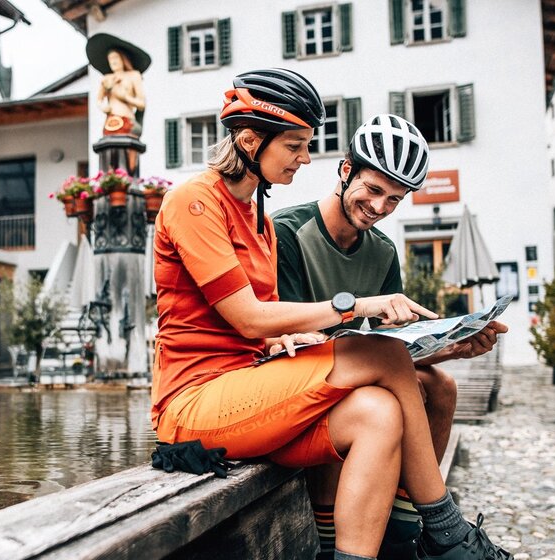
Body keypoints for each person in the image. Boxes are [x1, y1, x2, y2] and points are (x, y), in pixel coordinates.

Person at [151, 68, 510, 560]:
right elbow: (251, 319)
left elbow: (270, 328)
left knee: (379, 413)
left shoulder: (258, 219)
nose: (306, 157)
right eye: (296, 145)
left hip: (248, 393)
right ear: (252, 140)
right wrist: (356, 306)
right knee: (383, 357)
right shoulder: (193, 200)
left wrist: (448, 345)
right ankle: (446, 530)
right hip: (194, 404)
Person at [271, 114, 509, 559]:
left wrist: (451, 349)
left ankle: (403, 524)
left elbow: (392, 349)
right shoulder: (287, 232)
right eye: (373, 190)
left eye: (394, 200)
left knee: (440, 385)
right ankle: (424, 527)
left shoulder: (382, 251)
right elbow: (283, 334)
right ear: (345, 171)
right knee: (364, 398)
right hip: (300, 377)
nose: (379, 207)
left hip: (361, 368)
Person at [96, 48, 146, 138]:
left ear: (123, 59)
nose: (113, 61)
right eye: (110, 59)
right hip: (111, 121)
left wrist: (126, 97)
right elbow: (99, 100)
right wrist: (103, 107)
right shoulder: (106, 78)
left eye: (115, 58)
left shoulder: (134, 75)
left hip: (127, 119)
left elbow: (142, 104)